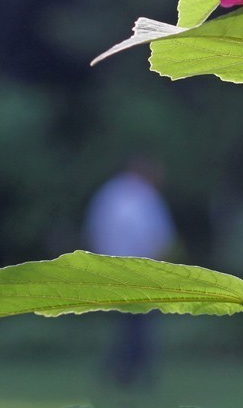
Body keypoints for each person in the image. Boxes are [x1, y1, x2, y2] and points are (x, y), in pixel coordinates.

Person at [83, 157, 177, 388]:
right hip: (140, 271)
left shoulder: (110, 193)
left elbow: (95, 230)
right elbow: (157, 237)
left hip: (112, 270)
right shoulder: (144, 197)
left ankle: (121, 370)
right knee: (139, 325)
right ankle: (132, 371)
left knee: (128, 324)